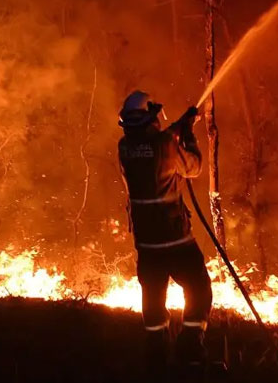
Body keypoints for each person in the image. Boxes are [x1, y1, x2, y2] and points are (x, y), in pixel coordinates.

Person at [117, 90, 213, 378]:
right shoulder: (165, 146)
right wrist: (188, 136)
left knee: (153, 297)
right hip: (176, 240)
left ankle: (156, 357)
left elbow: (151, 145)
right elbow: (193, 167)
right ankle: (190, 349)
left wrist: (177, 128)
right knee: (198, 289)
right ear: (149, 116)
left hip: (147, 243)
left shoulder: (124, 147)